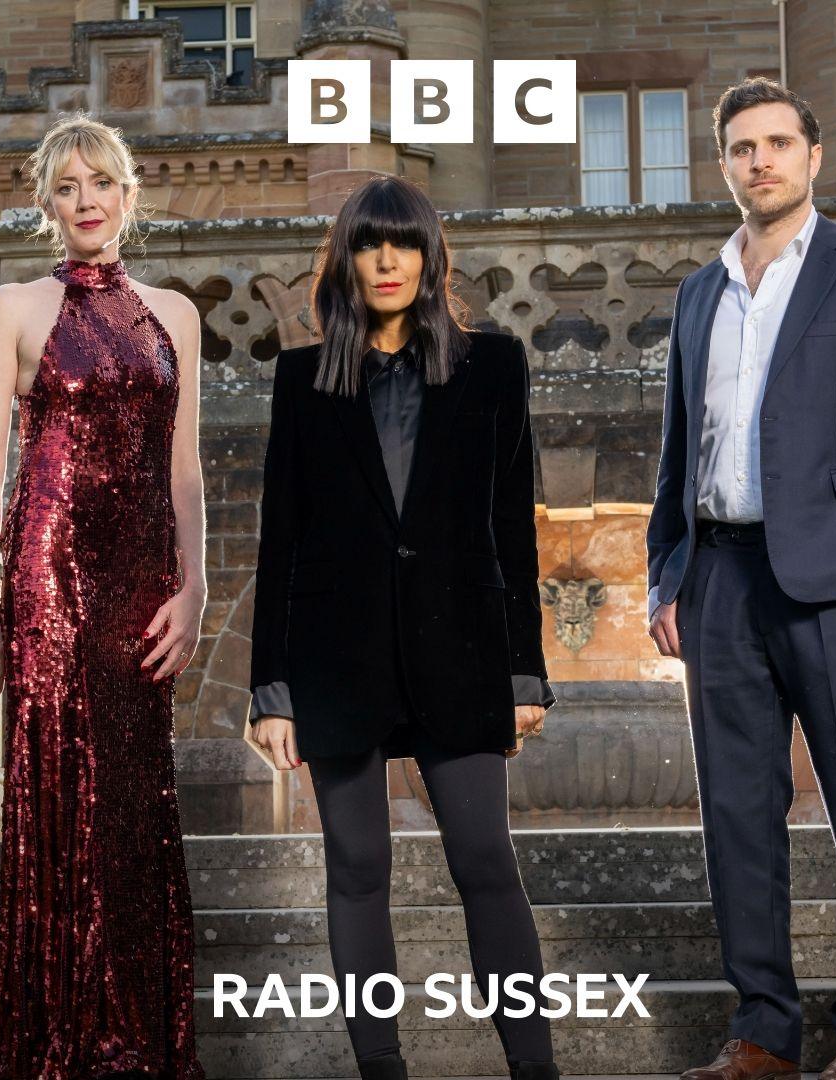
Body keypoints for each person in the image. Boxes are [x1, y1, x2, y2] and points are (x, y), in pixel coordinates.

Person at [646, 78, 836, 1080]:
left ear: (814, 157)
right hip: (722, 580)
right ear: (724, 163)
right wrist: (667, 574)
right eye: (742, 148)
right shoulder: (700, 289)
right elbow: (679, 445)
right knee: (737, 812)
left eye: (779, 143)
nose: (761, 162)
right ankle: (765, 1031)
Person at [246, 175, 559, 1080]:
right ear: (346, 259)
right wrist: (272, 688)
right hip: (335, 661)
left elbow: (511, 528)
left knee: (485, 862)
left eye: (404, 243)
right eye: (370, 244)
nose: (387, 261)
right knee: (356, 867)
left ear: (429, 258)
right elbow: (282, 540)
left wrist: (524, 671)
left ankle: (534, 1070)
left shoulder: (494, 365)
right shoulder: (300, 380)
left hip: (459, 654)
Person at [0, 114, 207, 1078]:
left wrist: (194, 589)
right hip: (48, 579)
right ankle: (61, 1046)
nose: (86, 201)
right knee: (63, 798)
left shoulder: (175, 315)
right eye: (66, 188)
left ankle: (136, 1041)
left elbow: (185, 471)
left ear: (129, 195)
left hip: (139, 588)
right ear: (47, 203)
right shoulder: (13, 308)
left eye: (100, 183)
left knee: (135, 801)